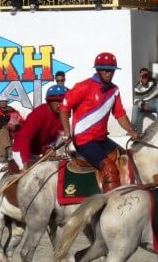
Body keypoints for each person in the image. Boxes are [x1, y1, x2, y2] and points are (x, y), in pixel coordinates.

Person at [59, 52, 139, 192]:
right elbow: (64, 108)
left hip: (102, 140)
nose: (109, 73)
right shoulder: (83, 87)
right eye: (105, 70)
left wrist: (132, 131)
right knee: (109, 169)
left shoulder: (114, 90)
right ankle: (111, 205)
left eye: (112, 70)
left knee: (128, 160)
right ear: (97, 70)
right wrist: (66, 132)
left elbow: (119, 114)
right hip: (84, 141)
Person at [12, 85, 65, 170]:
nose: (60, 104)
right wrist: (25, 162)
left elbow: (59, 139)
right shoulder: (39, 113)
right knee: (24, 178)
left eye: (62, 101)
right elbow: (24, 138)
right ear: (48, 101)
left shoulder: (62, 116)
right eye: (56, 101)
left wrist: (51, 148)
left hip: (40, 154)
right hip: (23, 151)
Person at [131, 68, 158, 134]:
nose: (145, 78)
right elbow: (136, 100)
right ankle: (133, 130)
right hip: (145, 105)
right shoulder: (137, 87)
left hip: (155, 103)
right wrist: (143, 105)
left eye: (146, 76)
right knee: (135, 107)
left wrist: (149, 73)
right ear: (140, 77)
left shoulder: (153, 81)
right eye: (143, 77)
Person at [0, 98, 23, 163]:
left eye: (4, 101)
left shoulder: (13, 111)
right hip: (0, 130)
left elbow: (21, 122)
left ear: (7, 102)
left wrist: (14, 126)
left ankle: (2, 156)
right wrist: (1, 127)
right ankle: (9, 149)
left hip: (12, 131)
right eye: (1, 101)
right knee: (1, 131)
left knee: (1, 134)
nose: (3, 103)